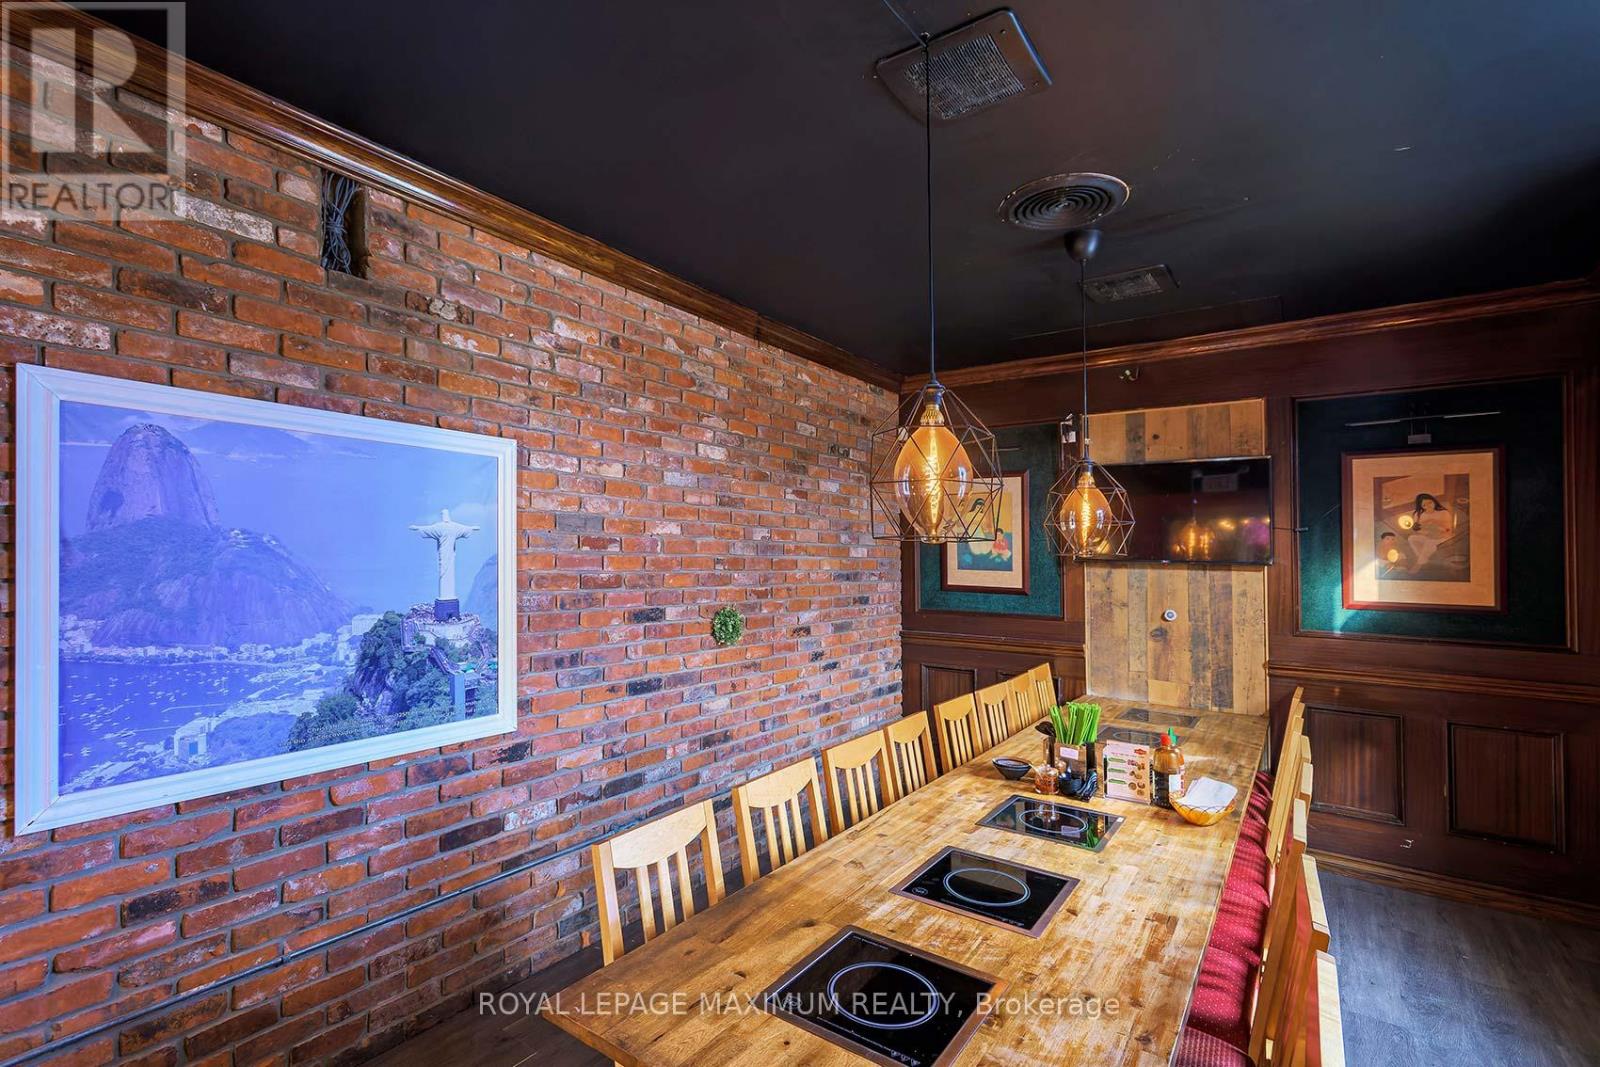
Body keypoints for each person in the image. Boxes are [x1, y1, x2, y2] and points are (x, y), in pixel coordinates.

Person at [1406, 493, 1453, 572]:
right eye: (1424, 505)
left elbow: (1449, 529)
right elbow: (1418, 530)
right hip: (1428, 535)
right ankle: (1423, 559)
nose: (1428, 506)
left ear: (1434, 501)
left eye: (1430, 503)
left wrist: (1436, 523)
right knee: (1411, 538)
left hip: (1443, 537)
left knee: (1429, 542)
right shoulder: (1419, 515)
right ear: (1421, 506)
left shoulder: (1444, 513)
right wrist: (1427, 532)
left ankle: (1419, 564)